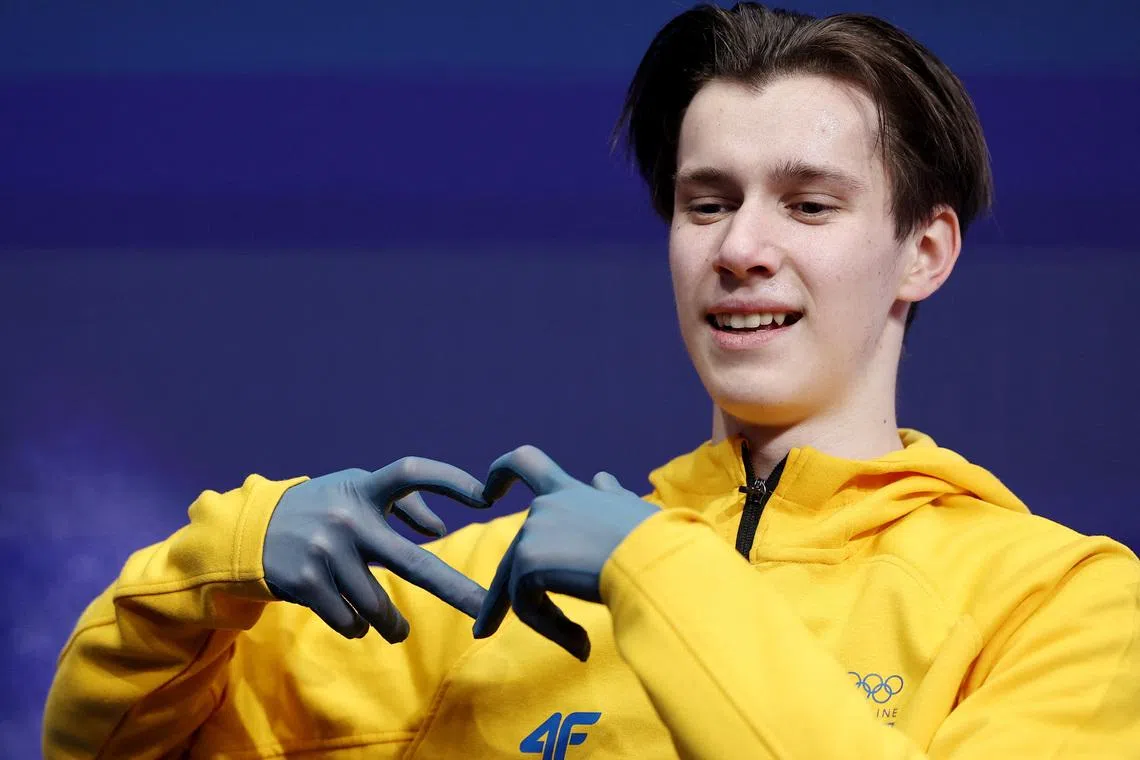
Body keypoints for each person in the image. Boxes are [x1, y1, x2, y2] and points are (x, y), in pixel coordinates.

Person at [44, 4, 1140, 758]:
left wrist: (652, 569)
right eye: (707, 203)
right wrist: (220, 565)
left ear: (924, 252)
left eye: (809, 205)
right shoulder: (473, 601)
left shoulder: (1061, 604)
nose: (740, 248)